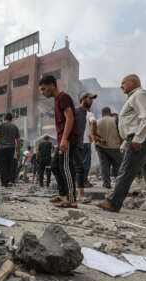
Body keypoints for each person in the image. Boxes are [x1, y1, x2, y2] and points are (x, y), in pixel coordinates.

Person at [96, 74, 146, 216]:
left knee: (126, 170)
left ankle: (113, 203)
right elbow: (133, 123)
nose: (121, 86)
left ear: (133, 82)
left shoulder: (139, 95)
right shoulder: (135, 97)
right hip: (143, 138)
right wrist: (125, 143)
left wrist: (138, 138)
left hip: (141, 139)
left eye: (123, 83)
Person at [39, 75, 79, 208]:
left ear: (52, 85)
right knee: (55, 165)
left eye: (44, 89)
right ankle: (62, 194)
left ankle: (72, 199)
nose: (42, 92)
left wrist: (64, 139)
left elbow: (70, 118)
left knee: (66, 167)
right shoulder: (57, 100)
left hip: (67, 139)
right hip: (62, 139)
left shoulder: (63, 97)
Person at [92, 106, 123, 189]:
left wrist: (100, 139)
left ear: (102, 114)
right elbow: (122, 134)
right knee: (117, 166)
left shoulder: (97, 122)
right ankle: (119, 184)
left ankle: (106, 184)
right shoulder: (116, 120)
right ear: (110, 112)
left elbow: (94, 136)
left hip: (102, 147)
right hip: (115, 147)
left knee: (104, 166)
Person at [75, 92, 96, 201]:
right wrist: (93, 134)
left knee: (78, 165)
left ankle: (78, 186)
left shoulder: (76, 111)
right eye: (90, 98)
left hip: (77, 142)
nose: (92, 101)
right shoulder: (89, 114)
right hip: (85, 142)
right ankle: (82, 184)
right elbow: (93, 123)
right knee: (84, 165)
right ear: (83, 99)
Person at [0, 113, 20, 187]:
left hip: (1, 148)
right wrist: (18, 151)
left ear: (5, 118)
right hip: (11, 148)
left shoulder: (1, 125)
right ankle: (9, 180)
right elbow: (18, 140)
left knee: (2, 165)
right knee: (9, 164)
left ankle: (4, 182)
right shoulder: (15, 127)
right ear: (11, 119)